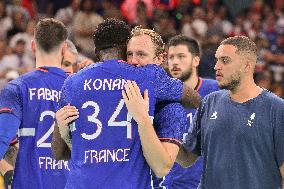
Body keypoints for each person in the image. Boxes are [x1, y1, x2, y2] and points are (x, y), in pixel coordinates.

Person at [52, 18, 200, 189]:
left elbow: (59, 153)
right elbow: (193, 99)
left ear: (96, 51)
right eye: (131, 53)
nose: (135, 60)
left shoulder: (71, 83)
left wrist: (63, 132)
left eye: (141, 54)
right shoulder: (148, 77)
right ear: (125, 47)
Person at [177, 36, 284, 189]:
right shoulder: (209, 102)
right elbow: (187, 158)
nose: (216, 66)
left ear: (246, 66)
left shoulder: (276, 109)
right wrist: (158, 130)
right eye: (217, 60)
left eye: (225, 61)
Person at [0, 18, 70, 188]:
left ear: (32, 46)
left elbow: (2, 138)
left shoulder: (17, 87)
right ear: (64, 49)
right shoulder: (78, 87)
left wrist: (7, 171)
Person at [151, 35, 219, 188]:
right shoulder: (161, 98)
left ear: (196, 60)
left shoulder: (217, 91)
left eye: (181, 56)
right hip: (172, 184)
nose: (174, 62)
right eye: (171, 57)